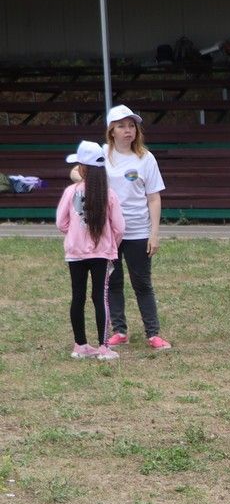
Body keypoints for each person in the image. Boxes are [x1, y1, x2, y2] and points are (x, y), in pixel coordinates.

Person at [103, 104, 169, 351]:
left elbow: (154, 197)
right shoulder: (102, 156)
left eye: (131, 125)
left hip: (138, 232)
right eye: (121, 126)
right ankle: (119, 331)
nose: (128, 130)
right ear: (112, 131)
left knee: (142, 283)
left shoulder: (145, 158)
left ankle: (153, 333)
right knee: (113, 282)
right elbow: (77, 172)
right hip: (110, 232)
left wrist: (154, 234)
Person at [57, 140, 124, 361]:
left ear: (83, 168)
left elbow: (61, 223)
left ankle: (80, 345)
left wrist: (75, 233)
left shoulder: (70, 191)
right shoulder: (109, 194)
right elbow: (119, 227)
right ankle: (104, 347)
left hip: (75, 253)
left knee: (78, 296)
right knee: (100, 297)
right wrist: (108, 242)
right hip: (101, 253)